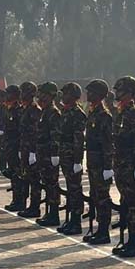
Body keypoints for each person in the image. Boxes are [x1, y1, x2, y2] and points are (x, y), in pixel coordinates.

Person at [111, 76, 135, 257]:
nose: (117, 94)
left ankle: (134, 243)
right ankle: (127, 241)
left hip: (132, 167)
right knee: (125, 204)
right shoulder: (122, 113)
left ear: (130, 94)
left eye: (120, 91)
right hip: (122, 166)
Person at [84, 79, 114, 245]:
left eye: (91, 92)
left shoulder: (104, 116)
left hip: (101, 163)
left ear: (99, 95)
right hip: (93, 162)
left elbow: (108, 143)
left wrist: (108, 167)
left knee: (103, 198)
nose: (88, 94)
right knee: (95, 196)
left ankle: (104, 231)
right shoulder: (93, 113)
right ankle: (98, 229)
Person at [56, 82, 87, 236]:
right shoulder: (65, 112)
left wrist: (77, 161)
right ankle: (70, 220)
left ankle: (76, 221)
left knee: (75, 189)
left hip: (72, 156)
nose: (63, 96)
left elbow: (78, 139)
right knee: (70, 188)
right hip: (65, 155)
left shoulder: (77, 114)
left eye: (66, 93)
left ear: (74, 96)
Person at [35, 82, 62, 227]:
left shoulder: (53, 113)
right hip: (43, 154)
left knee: (52, 185)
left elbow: (55, 136)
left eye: (43, 95)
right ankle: (49, 213)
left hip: (50, 154)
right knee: (47, 184)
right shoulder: (45, 112)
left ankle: (54, 214)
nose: (40, 98)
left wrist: (54, 154)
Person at [17, 82, 42, 218]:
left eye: (23, 92)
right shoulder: (25, 109)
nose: (21, 95)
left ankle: (34, 207)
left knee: (34, 180)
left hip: (31, 150)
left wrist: (32, 151)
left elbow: (35, 132)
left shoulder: (34, 110)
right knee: (26, 177)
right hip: (25, 148)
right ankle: (26, 204)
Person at [3, 85, 24, 211]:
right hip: (11, 147)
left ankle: (20, 201)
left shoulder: (19, 110)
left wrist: (21, 149)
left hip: (17, 147)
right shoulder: (10, 109)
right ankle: (15, 199)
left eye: (9, 94)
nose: (7, 96)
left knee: (18, 176)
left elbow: (22, 131)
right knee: (13, 175)